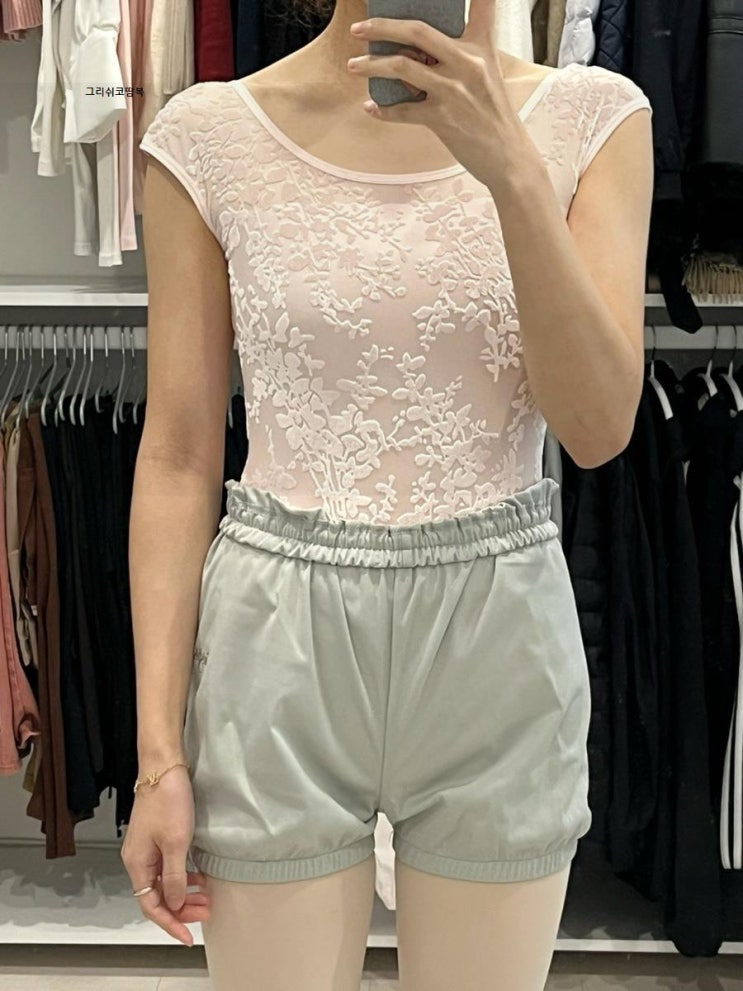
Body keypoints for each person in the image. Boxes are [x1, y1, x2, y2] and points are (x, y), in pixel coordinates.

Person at [121, 0, 654, 987]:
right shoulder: (209, 134)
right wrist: (158, 756)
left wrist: (509, 168)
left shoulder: (592, 119)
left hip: (496, 639)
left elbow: (595, 428)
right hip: (276, 645)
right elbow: (179, 455)